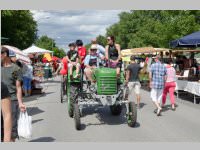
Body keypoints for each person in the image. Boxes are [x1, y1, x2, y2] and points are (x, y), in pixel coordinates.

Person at [1, 47, 26, 142]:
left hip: (12, 100)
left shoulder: (16, 69)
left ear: (5, 54)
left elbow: (18, 87)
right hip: (1, 99)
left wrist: (20, 103)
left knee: (11, 131)